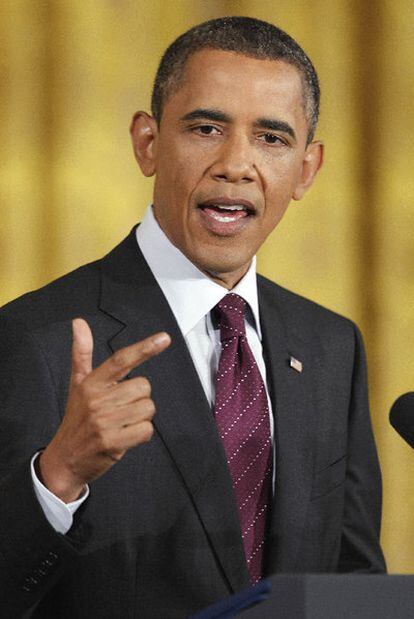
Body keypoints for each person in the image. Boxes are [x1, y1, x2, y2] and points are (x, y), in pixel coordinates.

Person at [0, 16, 385, 619]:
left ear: (307, 170)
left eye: (272, 139)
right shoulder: (33, 340)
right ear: (148, 143)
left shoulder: (332, 346)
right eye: (207, 128)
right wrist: (58, 477)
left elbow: (355, 582)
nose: (236, 164)